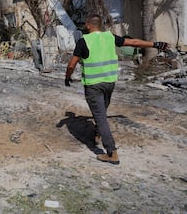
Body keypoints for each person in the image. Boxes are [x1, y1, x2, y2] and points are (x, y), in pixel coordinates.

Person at [65, 14, 169, 165]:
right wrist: (155, 44)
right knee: (102, 112)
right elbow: (133, 42)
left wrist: (67, 77)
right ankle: (98, 134)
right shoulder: (109, 37)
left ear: (88, 25)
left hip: (94, 85)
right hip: (109, 83)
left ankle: (112, 153)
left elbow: (71, 64)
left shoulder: (83, 41)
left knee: (100, 117)